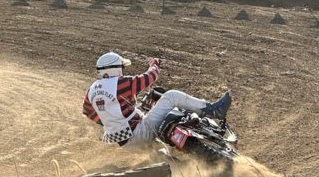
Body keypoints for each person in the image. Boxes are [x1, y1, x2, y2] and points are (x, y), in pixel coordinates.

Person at [82, 51, 232, 147]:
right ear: (116, 68)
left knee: (161, 152)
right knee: (172, 96)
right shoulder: (119, 83)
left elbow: (88, 112)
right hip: (140, 132)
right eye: (122, 67)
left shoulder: (91, 91)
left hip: (122, 143)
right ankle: (213, 110)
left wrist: (110, 120)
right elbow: (149, 78)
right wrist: (155, 65)